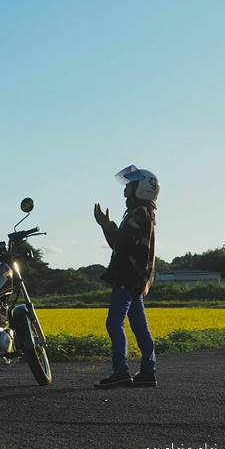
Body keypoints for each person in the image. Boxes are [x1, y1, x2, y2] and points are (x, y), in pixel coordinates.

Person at [93, 165, 160, 389]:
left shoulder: (138, 214)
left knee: (114, 323)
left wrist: (105, 225)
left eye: (129, 186)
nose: (125, 192)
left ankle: (121, 371)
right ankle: (148, 371)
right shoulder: (146, 213)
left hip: (127, 276)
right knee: (140, 326)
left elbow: (119, 242)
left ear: (141, 188)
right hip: (137, 278)